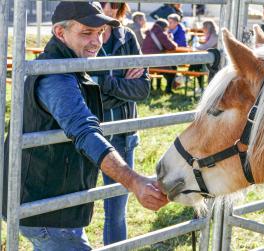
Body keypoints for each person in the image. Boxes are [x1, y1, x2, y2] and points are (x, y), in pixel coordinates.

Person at [2, 2, 168, 250]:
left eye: (100, 32)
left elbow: (136, 89)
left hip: (48, 200)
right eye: (86, 33)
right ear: (60, 33)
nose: (97, 42)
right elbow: (85, 130)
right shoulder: (56, 76)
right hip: (46, 211)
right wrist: (134, 181)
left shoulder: (73, 66)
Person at [92, 2, 150, 245]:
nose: (111, 9)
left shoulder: (127, 37)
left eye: (115, 4)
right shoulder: (84, 36)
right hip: (86, 132)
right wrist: (121, 84)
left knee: (115, 211)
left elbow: (142, 88)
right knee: (73, 204)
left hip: (122, 134)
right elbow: (82, 94)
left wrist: (104, 84)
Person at [142, 19, 177, 93]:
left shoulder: (149, 33)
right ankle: (168, 89)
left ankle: (153, 87)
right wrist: (169, 38)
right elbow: (172, 47)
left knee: (165, 66)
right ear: (164, 27)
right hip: (155, 61)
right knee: (173, 68)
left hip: (145, 61)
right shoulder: (161, 34)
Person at [189, 19, 219, 92]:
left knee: (196, 64)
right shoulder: (210, 36)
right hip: (209, 60)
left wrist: (195, 45)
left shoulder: (214, 36)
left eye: (203, 27)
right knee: (196, 64)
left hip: (214, 62)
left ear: (208, 28)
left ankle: (186, 76)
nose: (202, 29)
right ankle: (200, 87)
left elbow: (206, 47)